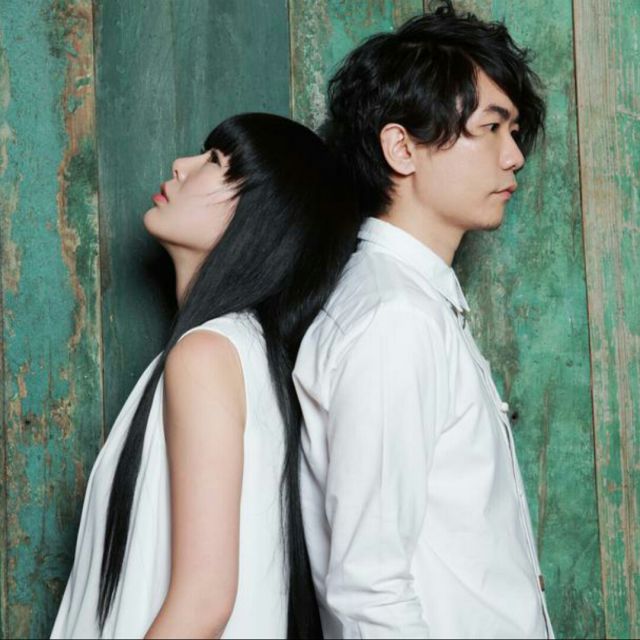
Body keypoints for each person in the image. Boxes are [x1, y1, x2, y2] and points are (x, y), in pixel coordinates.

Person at [293, 1, 554, 638]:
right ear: (402, 147)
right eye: (491, 128)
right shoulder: (395, 320)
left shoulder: (414, 302)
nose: (514, 156)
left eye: (514, 131)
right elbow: (368, 590)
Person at [50, 112, 359, 639]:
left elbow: (204, 603)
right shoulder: (241, 352)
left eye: (215, 160)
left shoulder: (208, 354)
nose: (181, 165)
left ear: (262, 216)